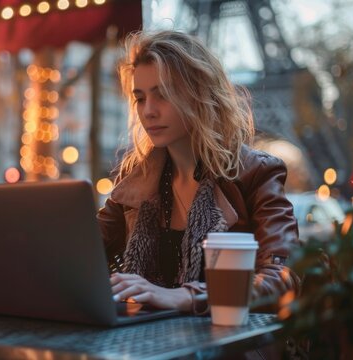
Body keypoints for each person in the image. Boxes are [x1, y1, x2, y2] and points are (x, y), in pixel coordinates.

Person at [98, 31, 301, 315]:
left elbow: (283, 278)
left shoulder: (255, 172)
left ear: (199, 95)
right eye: (140, 98)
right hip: (146, 342)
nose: (148, 111)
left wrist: (186, 297)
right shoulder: (135, 181)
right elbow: (80, 253)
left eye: (163, 94)